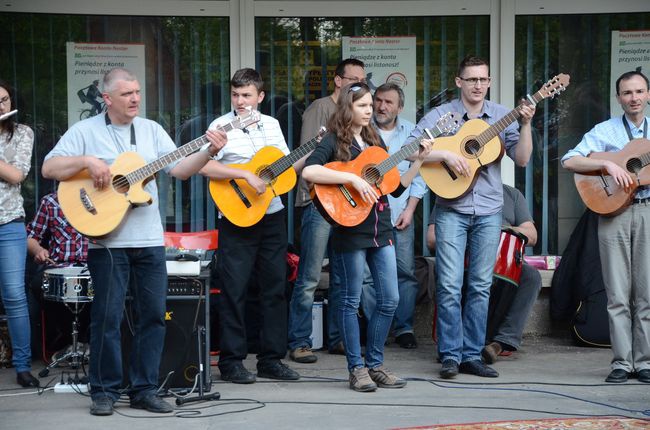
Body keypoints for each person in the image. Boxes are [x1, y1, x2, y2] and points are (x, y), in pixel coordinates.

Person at [42, 67, 227, 416]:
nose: (135, 99)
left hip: (149, 241)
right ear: (107, 98)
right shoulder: (85, 131)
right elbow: (49, 169)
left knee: (154, 316)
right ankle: (104, 391)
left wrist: (209, 151)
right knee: (107, 319)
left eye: (138, 92)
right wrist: (87, 161)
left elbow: (181, 169)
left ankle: (144, 388)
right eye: (127, 93)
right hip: (107, 242)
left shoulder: (152, 130)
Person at [301, 82, 432, 392]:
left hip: (380, 227)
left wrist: (420, 161)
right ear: (348, 108)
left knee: (390, 298)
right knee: (349, 300)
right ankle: (356, 368)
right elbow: (309, 171)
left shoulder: (374, 141)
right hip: (350, 229)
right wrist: (350, 178)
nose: (370, 109)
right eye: (362, 105)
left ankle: (375, 364)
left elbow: (395, 187)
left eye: (370, 105)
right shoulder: (334, 140)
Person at [410, 55, 535, 379]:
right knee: (450, 284)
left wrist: (525, 124)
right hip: (451, 209)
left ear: (489, 82)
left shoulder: (501, 116)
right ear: (459, 82)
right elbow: (412, 148)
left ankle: (471, 355)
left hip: (490, 210)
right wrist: (446, 153)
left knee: (480, 285)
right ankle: (450, 355)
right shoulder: (443, 115)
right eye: (472, 79)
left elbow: (521, 159)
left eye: (483, 80)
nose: (478, 85)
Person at [199, 68, 300, 384]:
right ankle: (231, 362)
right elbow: (204, 165)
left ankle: (271, 359)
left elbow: (284, 164)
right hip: (236, 217)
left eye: (246, 95)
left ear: (260, 97)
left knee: (274, 288)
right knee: (234, 289)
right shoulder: (220, 126)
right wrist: (244, 176)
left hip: (272, 213)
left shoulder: (272, 124)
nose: (240, 101)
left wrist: (302, 157)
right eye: (235, 95)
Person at [562, 70, 650, 384]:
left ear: (648, 94)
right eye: (627, 93)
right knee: (616, 291)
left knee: (647, 292)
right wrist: (608, 163)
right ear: (619, 98)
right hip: (613, 212)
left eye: (639, 91)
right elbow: (569, 160)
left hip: (648, 211)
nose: (634, 98)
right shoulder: (606, 130)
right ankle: (622, 363)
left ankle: (645, 362)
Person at [288, 58, 366, 363]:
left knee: (342, 277)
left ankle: (337, 338)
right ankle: (300, 341)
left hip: (347, 206)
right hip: (317, 204)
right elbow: (308, 157)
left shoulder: (360, 115)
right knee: (309, 276)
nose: (358, 85)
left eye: (362, 81)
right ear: (337, 80)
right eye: (352, 80)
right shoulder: (320, 108)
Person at [426, 184, 543, 362]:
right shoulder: (449, 189)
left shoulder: (512, 194)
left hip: (504, 262)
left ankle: (502, 342)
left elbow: (532, 235)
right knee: (451, 275)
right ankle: (454, 346)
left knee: (531, 276)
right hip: (462, 257)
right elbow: (432, 239)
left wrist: (499, 231)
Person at [360, 82, 425, 349]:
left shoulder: (412, 132)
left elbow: (420, 175)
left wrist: (410, 209)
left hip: (400, 214)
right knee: (366, 276)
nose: (382, 106)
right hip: (366, 215)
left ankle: (404, 328)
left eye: (389, 102)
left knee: (405, 272)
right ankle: (378, 328)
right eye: (379, 101)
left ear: (399, 106)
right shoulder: (361, 131)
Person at [0, 80, 39, 388]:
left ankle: (23, 365)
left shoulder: (23, 132)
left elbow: (17, 175)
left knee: (14, 295)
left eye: (4, 99)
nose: (1, 106)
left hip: (9, 224)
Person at [25, 191, 89, 360]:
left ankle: (87, 341)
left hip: (94, 265)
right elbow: (31, 237)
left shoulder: (105, 198)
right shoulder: (50, 201)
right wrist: (39, 251)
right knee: (39, 286)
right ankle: (67, 341)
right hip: (59, 265)